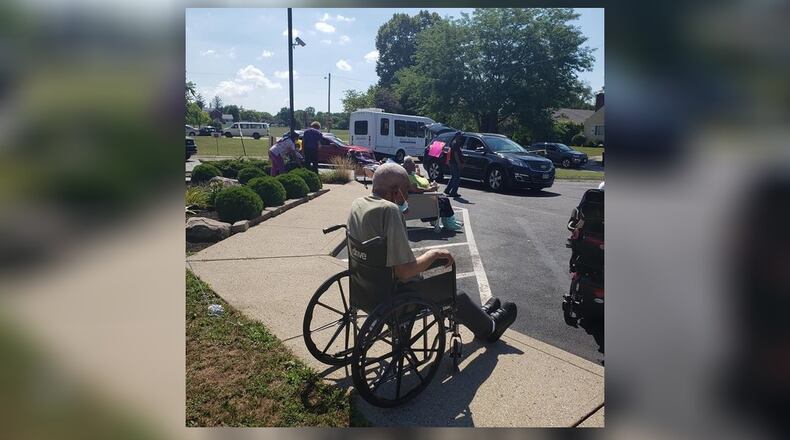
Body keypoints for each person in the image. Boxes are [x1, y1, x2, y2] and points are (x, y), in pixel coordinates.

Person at [347, 163, 517, 342]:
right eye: (407, 191)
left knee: (454, 294)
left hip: (365, 287)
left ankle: (482, 314)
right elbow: (404, 273)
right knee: (454, 294)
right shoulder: (390, 211)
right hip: (396, 294)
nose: (408, 197)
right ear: (396, 191)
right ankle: (489, 328)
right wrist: (433, 254)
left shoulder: (358, 204)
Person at [402, 156, 464, 232]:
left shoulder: (411, 174)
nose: (415, 166)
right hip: (423, 200)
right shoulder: (407, 177)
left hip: (426, 197)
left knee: (443, 199)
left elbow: (419, 182)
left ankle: (449, 222)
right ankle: (450, 223)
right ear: (408, 166)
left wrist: (431, 185)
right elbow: (416, 190)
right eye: (413, 164)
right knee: (445, 200)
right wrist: (430, 189)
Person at [444, 131, 464, 198]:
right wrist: (459, 163)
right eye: (460, 136)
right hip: (454, 163)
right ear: (457, 136)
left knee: (453, 177)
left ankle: (447, 190)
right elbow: (455, 155)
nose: (461, 137)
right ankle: (453, 192)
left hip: (451, 162)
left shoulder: (453, 143)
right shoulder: (456, 144)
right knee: (457, 178)